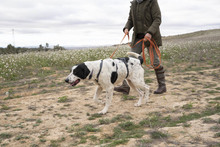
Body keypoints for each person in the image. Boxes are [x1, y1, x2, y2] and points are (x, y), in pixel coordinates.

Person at [114, 0, 166, 94]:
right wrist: (127, 28)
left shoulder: (152, 1)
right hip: (138, 37)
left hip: (152, 37)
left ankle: (162, 86)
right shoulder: (134, 3)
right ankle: (125, 87)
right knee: (129, 62)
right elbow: (130, 19)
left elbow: (157, 19)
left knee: (155, 62)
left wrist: (150, 32)